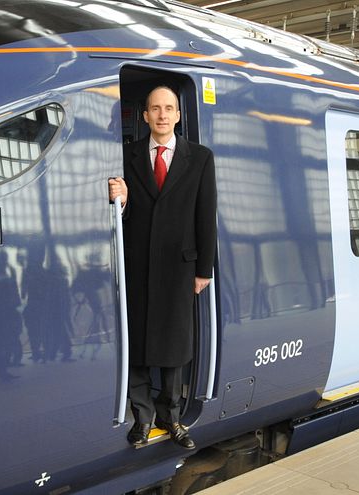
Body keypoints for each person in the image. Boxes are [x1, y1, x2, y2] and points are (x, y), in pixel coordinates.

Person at [109, 86, 217, 450]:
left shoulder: (200, 158)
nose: (162, 115)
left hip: (179, 267)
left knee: (174, 344)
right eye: (154, 108)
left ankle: (171, 416)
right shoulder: (127, 156)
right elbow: (124, 214)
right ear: (144, 116)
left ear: (178, 115)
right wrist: (120, 202)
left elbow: (206, 216)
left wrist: (204, 270)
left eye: (168, 108)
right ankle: (142, 418)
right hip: (138, 264)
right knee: (137, 342)